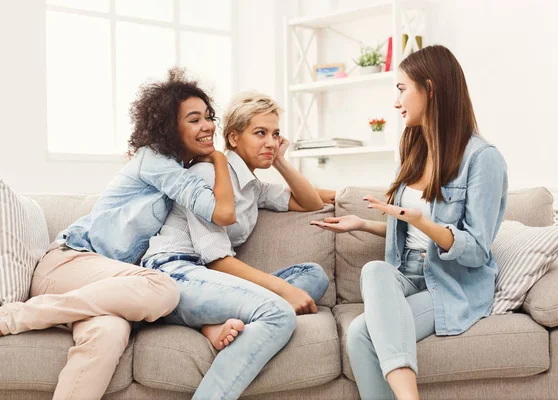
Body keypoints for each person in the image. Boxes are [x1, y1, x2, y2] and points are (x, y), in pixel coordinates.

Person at [0, 67, 236, 400]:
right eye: (194, 119)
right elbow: (223, 213)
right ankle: (14, 317)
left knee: (109, 333)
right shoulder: (152, 159)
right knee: (161, 288)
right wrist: (220, 160)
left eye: (209, 117)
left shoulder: (183, 171)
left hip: (104, 287)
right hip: (68, 264)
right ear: (170, 127)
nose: (208, 126)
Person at [311, 45, 508, 400]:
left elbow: (477, 250)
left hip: (450, 284)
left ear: (430, 90)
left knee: (359, 333)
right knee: (374, 270)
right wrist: (364, 224)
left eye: (402, 88)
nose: (395, 100)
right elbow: (411, 227)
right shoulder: (414, 148)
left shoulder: (483, 158)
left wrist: (425, 222)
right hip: (406, 273)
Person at [142, 91, 330, 399]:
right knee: (279, 312)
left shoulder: (254, 187)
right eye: (260, 133)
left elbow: (310, 202)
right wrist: (285, 291)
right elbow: (216, 260)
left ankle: (214, 325)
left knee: (313, 275)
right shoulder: (208, 173)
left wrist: (280, 160)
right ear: (233, 137)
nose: (270, 142)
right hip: (173, 274)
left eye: (275, 134)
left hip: (208, 282)